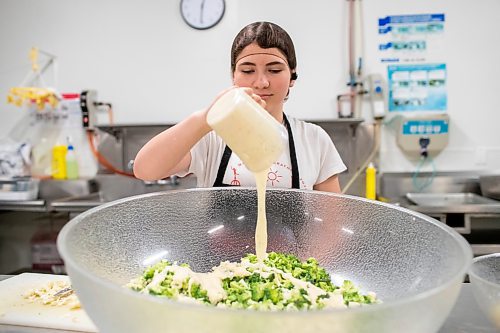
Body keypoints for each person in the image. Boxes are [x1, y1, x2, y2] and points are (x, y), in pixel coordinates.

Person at [134, 21, 346, 192]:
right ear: (233, 76)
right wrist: (205, 119)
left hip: (292, 248)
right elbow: (145, 169)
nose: (261, 82)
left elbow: (330, 225)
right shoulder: (213, 138)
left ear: (292, 76)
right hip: (216, 247)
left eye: (274, 70)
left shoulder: (314, 140)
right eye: (247, 70)